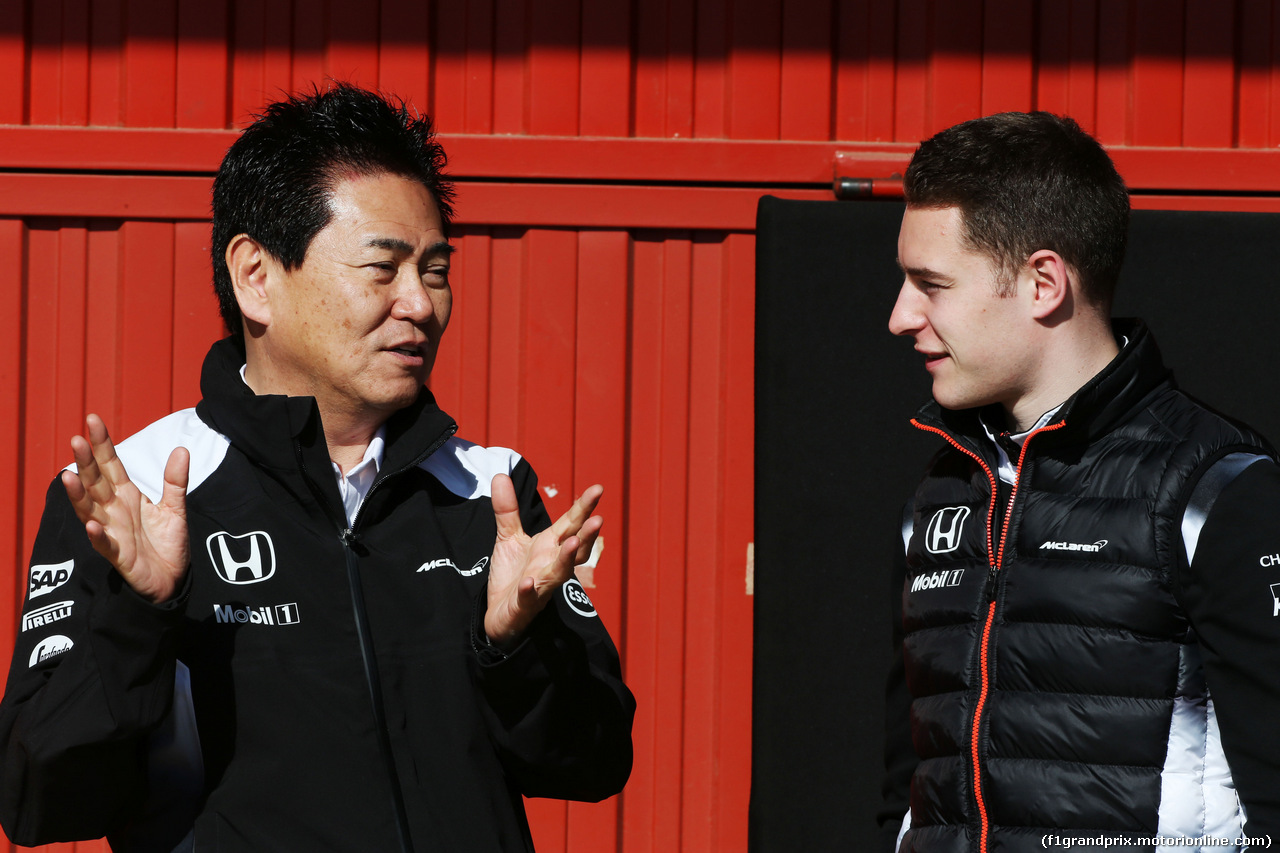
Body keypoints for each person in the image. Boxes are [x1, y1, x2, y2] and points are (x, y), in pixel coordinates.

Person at [0, 83, 635, 852]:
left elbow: (598, 760)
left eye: (435, 270)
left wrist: (512, 647)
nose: (421, 304)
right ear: (256, 277)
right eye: (383, 268)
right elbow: (38, 799)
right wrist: (141, 616)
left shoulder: (487, 491)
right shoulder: (133, 492)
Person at [879, 112, 1280, 852]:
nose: (901, 315)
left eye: (929, 283)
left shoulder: (1217, 489)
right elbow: (906, 791)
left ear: (1042, 283)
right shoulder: (942, 492)